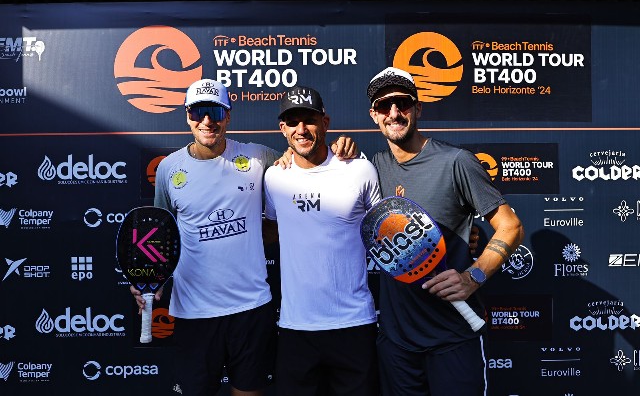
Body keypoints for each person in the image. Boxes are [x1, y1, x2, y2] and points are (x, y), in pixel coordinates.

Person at [129, 78, 357, 396]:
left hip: (251, 310)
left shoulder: (257, 157)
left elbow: (307, 162)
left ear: (228, 116)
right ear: (186, 116)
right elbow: (161, 237)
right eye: (198, 112)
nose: (207, 121)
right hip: (194, 313)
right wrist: (151, 281)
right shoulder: (169, 169)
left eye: (215, 112)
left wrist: (342, 149)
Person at [366, 67, 525, 396]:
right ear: (374, 115)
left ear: (418, 108)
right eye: (384, 106)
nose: (394, 113)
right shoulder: (370, 168)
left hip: (453, 337)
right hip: (397, 345)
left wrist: (473, 277)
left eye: (402, 103)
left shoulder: (457, 162)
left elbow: (511, 226)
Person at [263, 86, 381, 396]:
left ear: (325, 123)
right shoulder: (274, 177)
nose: (301, 130)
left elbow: (386, 229)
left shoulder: (359, 169)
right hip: (295, 329)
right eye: (293, 122)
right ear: (283, 129)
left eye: (309, 120)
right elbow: (271, 228)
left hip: (354, 325)